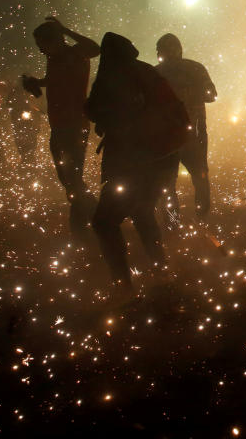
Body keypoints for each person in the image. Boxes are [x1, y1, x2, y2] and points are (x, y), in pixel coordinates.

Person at [85, 33, 189, 296]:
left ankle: (123, 286)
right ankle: (160, 269)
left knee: (104, 222)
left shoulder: (114, 75)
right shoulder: (147, 72)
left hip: (132, 161)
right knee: (143, 210)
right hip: (163, 158)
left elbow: (92, 109)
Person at [22, 17, 99, 243]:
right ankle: (91, 218)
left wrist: (64, 29)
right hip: (58, 126)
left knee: (72, 178)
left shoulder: (76, 53)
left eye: (41, 44)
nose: (40, 50)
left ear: (55, 40)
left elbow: (96, 48)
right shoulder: (54, 59)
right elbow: (58, 79)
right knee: (67, 178)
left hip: (75, 126)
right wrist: (38, 82)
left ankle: (89, 222)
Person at [154, 33, 217, 217]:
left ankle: (173, 222)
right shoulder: (195, 69)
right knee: (199, 176)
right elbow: (211, 95)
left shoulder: (155, 73)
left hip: (169, 136)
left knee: (168, 182)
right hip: (191, 134)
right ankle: (202, 217)